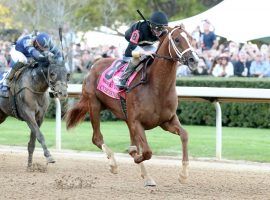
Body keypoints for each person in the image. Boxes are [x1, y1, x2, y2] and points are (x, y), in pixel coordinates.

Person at [115, 11, 168, 89]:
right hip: (130, 45)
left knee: (157, 54)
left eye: (162, 29)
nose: (159, 32)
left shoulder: (162, 31)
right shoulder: (139, 30)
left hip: (145, 45)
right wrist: (144, 53)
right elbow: (131, 48)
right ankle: (122, 79)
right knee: (139, 57)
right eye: (158, 28)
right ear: (151, 26)